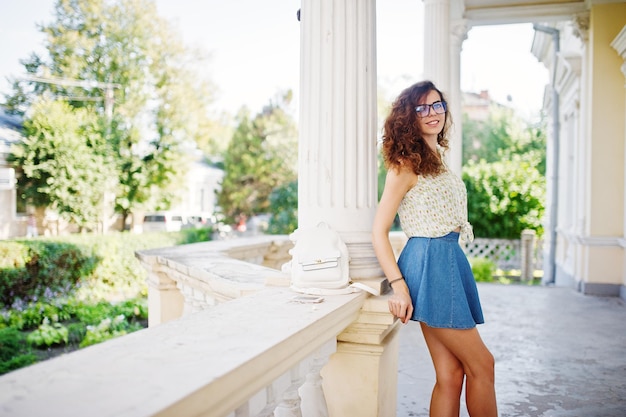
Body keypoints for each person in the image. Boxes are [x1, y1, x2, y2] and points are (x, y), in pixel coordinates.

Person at [372, 80, 497, 417]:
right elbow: (378, 230)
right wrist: (398, 287)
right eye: (422, 107)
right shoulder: (404, 166)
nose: (432, 113)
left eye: (438, 105)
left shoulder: (437, 160)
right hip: (431, 264)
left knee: (451, 374)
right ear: (408, 116)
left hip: (447, 260)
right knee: (483, 364)